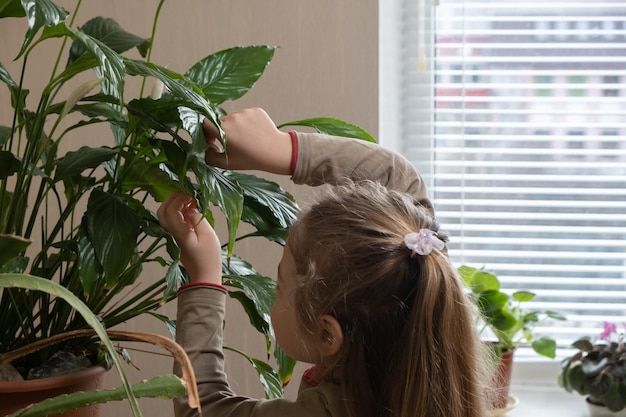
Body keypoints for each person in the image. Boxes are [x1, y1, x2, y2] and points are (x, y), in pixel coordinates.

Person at [157, 108, 489, 417]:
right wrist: (281, 148)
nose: (275, 291)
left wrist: (204, 278)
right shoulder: (415, 286)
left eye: (280, 286)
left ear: (328, 335)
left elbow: (204, 410)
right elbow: (398, 180)